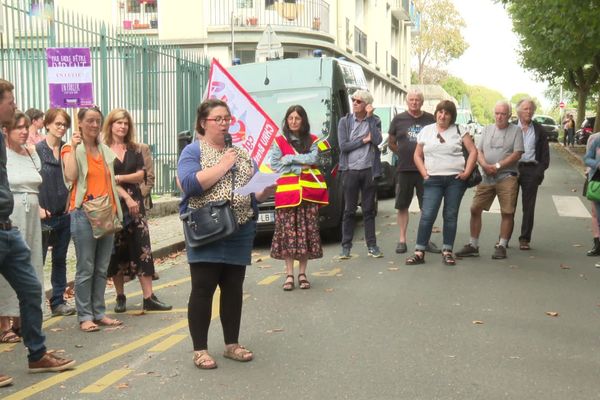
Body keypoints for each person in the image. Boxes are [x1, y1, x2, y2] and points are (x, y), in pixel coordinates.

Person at [177, 99, 275, 370]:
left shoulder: (241, 153)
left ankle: (232, 344)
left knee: (233, 289)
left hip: (239, 230)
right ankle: (200, 350)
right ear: (203, 123)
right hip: (207, 230)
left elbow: (253, 190)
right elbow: (188, 184)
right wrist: (222, 165)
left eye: (227, 119)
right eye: (217, 119)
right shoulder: (193, 151)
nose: (223, 124)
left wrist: (265, 189)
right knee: (203, 288)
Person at [0, 79, 75, 386]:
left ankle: (37, 354)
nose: (14, 105)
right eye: (9, 100)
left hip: (8, 228)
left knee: (32, 288)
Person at [103, 108, 171, 313]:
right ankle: (120, 296)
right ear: (111, 125)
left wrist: (120, 178)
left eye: (125, 123)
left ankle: (148, 296)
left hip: (136, 205)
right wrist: (124, 193)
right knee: (117, 250)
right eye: (118, 123)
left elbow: (141, 175)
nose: (122, 126)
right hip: (114, 204)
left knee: (143, 248)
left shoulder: (135, 149)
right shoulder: (103, 149)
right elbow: (105, 179)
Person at [62, 107, 123, 333]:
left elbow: (111, 182)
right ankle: (85, 315)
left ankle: (99, 312)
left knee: (101, 267)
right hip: (84, 213)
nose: (95, 125)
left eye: (98, 121)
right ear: (80, 123)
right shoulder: (71, 148)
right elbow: (70, 176)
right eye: (90, 121)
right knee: (86, 267)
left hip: (106, 213)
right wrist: (74, 146)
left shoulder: (104, 149)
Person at [405, 100, 477, 266]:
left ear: (452, 116)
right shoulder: (426, 131)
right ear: (436, 112)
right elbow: (417, 155)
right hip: (433, 180)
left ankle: (447, 251)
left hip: (455, 180)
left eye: (447, 113)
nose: (442, 116)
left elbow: (473, 151)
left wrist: (466, 172)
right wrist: (424, 173)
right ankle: (419, 251)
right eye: (440, 112)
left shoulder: (459, 130)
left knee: (450, 216)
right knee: (428, 215)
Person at [455, 101, 524, 260]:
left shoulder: (516, 131)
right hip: (487, 176)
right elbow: (478, 150)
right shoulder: (487, 129)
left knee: (507, 211)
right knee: (475, 208)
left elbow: (517, 154)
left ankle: (501, 245)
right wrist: (485, 165)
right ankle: (473, 245)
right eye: (497, 113)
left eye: (503, 114)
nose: (499, 117)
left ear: (509, 115)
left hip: (507, 176)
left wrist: (498, 166)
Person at [270, 105, 328, 291]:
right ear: (286, 121)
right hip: (287, 196)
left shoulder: (313, 139)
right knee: (288, 237)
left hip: (307, 196)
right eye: (290, 118)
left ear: (303, 120)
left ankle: (302, 274)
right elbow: (275, 165)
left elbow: (313, 160)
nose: (293, 121)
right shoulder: (279, 142)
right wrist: (297, 166)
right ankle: (289, 275)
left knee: (305, 235)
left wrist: (289, 159)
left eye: (297, 118)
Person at [0, 111, 45, 343]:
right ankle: (3, 323)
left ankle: (21, 321)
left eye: (26, 127)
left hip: (32, 215)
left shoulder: (31, 152)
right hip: (11, 213)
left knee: (30, 268)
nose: (24, 131)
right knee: (7, 273)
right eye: (18, 127)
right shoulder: (3, 153)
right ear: (7, 130)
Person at [388, 89, 440, 254]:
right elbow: (391, 142)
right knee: (402, 205)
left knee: (428, 207)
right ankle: (402, 240)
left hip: (426, 169)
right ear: (407, 101)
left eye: (417, 100)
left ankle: (426, 240)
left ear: (422, 102)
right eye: (411, 99)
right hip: (405, 169)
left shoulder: (431, 119)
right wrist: (403, 154)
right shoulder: (398, 119)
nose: (414, 102)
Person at [37, 108, 76, 317]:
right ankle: (36, 303)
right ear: (48, 124)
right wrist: (38, 207)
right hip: (44, 214)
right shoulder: (36, 150)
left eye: (64, 125)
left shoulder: (66, 150)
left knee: (60, 259)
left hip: (64, 212)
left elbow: (72, 178)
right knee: (39, 260)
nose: (61, 128)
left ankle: (58, 300)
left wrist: (71, 202)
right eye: (58, 124)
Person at [337, 89, 383, 259]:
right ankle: (346, 247)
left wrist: (370, 118)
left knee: (369, 210)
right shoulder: (345, 122)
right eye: (353, 100)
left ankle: (372, 246)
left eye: (358, 101)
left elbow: (377, 140)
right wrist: (364, 140)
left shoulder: (375, 120)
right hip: (350, 170)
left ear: (367, 105)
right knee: (349, 210)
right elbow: (344, 146)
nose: (354, 103)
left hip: (369, 169)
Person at [514, 98, 550, 250]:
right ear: (518, 111)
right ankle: (504, 239)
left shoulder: (539, 130)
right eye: (525, 109)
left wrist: (538, 172)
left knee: (528, 207)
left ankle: (524, 239)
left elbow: (545, 156)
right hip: (512, 169)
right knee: (508, 206)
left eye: (530, 109)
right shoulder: (511, 128)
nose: (528, 111)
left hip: (531, 170)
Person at [584, 131, 600, 256]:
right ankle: (597, 244)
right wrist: (597, 164)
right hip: (596, 182)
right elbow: (587, 158)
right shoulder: (596, 139)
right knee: (596, 213)